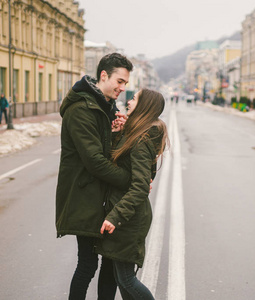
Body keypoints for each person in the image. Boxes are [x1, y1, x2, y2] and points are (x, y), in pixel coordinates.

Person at [55, 53, 134, 300]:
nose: (122, 88)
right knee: (88, 264)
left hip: (99, 196)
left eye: (125, 84)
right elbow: (95, 161)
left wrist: (116, 133)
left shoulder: (103, 106)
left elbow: (105, 150)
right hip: (84, 197)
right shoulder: (81, 110)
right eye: (119, 81)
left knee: (110, 262)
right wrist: (130, 182)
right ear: (103, 75)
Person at [96, 88, 169, 300]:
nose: (129, 101)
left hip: (129, 219)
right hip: (126, 215)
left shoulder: (141, 140)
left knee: (127, 279)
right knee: (122, 279)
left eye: (134, 99)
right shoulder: (135, 134)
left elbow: (140, 186)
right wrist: (118, 133)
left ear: (144, 106)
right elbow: (121, 162)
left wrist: (114, 217)